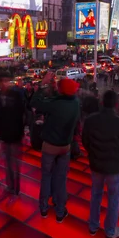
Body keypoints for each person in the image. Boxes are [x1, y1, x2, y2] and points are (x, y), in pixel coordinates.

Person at [83, 90, 119, 238]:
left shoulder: (91, 120)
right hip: (114, 168)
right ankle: (110, 231)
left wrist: (93, 154)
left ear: (102, 103)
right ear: (116, 105)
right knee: (113, 200)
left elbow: (85, 141)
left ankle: (93, 226)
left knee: (96, 195)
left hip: (96, 165)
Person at [31, 74, 81, 222]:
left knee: (46, 177)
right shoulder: (76, 103)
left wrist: (42, 85)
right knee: (61, 179)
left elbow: (35, 102)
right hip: (65, 146)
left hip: (50, 146)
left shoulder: (54, 104)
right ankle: (60, 212)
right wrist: (56, 89)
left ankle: (44, 209)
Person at [0, 72, 26, 195]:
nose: (5, 84)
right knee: (8, 162)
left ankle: (16, 188)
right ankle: (11, 187)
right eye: (3, 81)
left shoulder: (15, 95)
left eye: (7, 81)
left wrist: (21, 133)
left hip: (15, 134)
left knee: (14, 163)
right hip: (5, 134)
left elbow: (21, 114)